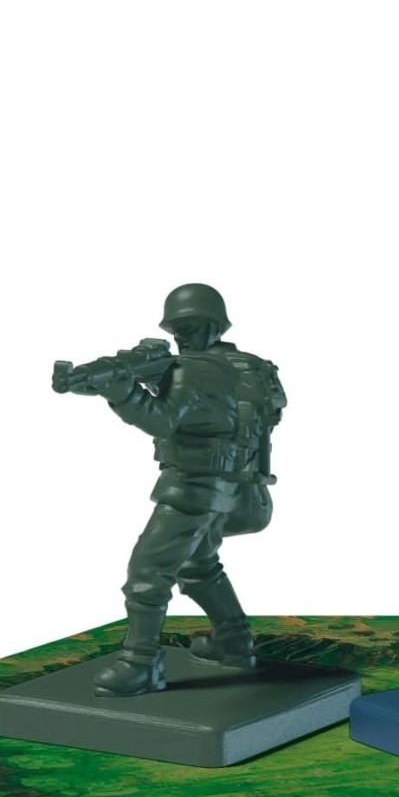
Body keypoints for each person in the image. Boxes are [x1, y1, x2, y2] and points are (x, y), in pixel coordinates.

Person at [86, 283, 286, 696]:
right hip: (241, 488)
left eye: (189, 327)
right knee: (197, 563)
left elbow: (161, 421)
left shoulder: (192, 371)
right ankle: (233, 641)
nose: (183, 337)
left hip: (193, 487)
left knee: (147, 572)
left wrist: (123, 392)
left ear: (214, 325)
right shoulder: (252, 368)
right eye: (179, 329)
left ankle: (140, 663)